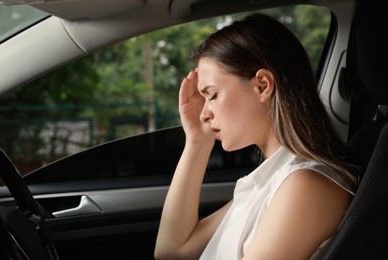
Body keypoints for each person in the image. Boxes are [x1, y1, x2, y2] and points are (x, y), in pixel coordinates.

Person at [153, 13, 358, 259]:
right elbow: (171, 252)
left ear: (262, 85)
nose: (204, 114)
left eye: (213, 95)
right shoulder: (265, 182)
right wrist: (197, 141)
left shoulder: (303, 185)